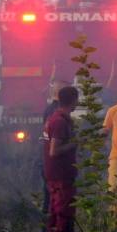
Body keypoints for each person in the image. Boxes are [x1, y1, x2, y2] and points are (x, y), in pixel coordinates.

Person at [43, 85, 79, 232]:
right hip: (61, 176)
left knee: (55, 213)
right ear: (73, 101)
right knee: (63, 214)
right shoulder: (59, 122)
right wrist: (75, 143)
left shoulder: (55, 118)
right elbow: (54, 151)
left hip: (55, 174)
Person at [40, 79, 70, 219]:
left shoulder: (52, 110)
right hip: (54, 164)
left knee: (51, 198)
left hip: (49, 162)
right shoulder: (56, 114)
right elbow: (54, 146)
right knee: (55, 199)